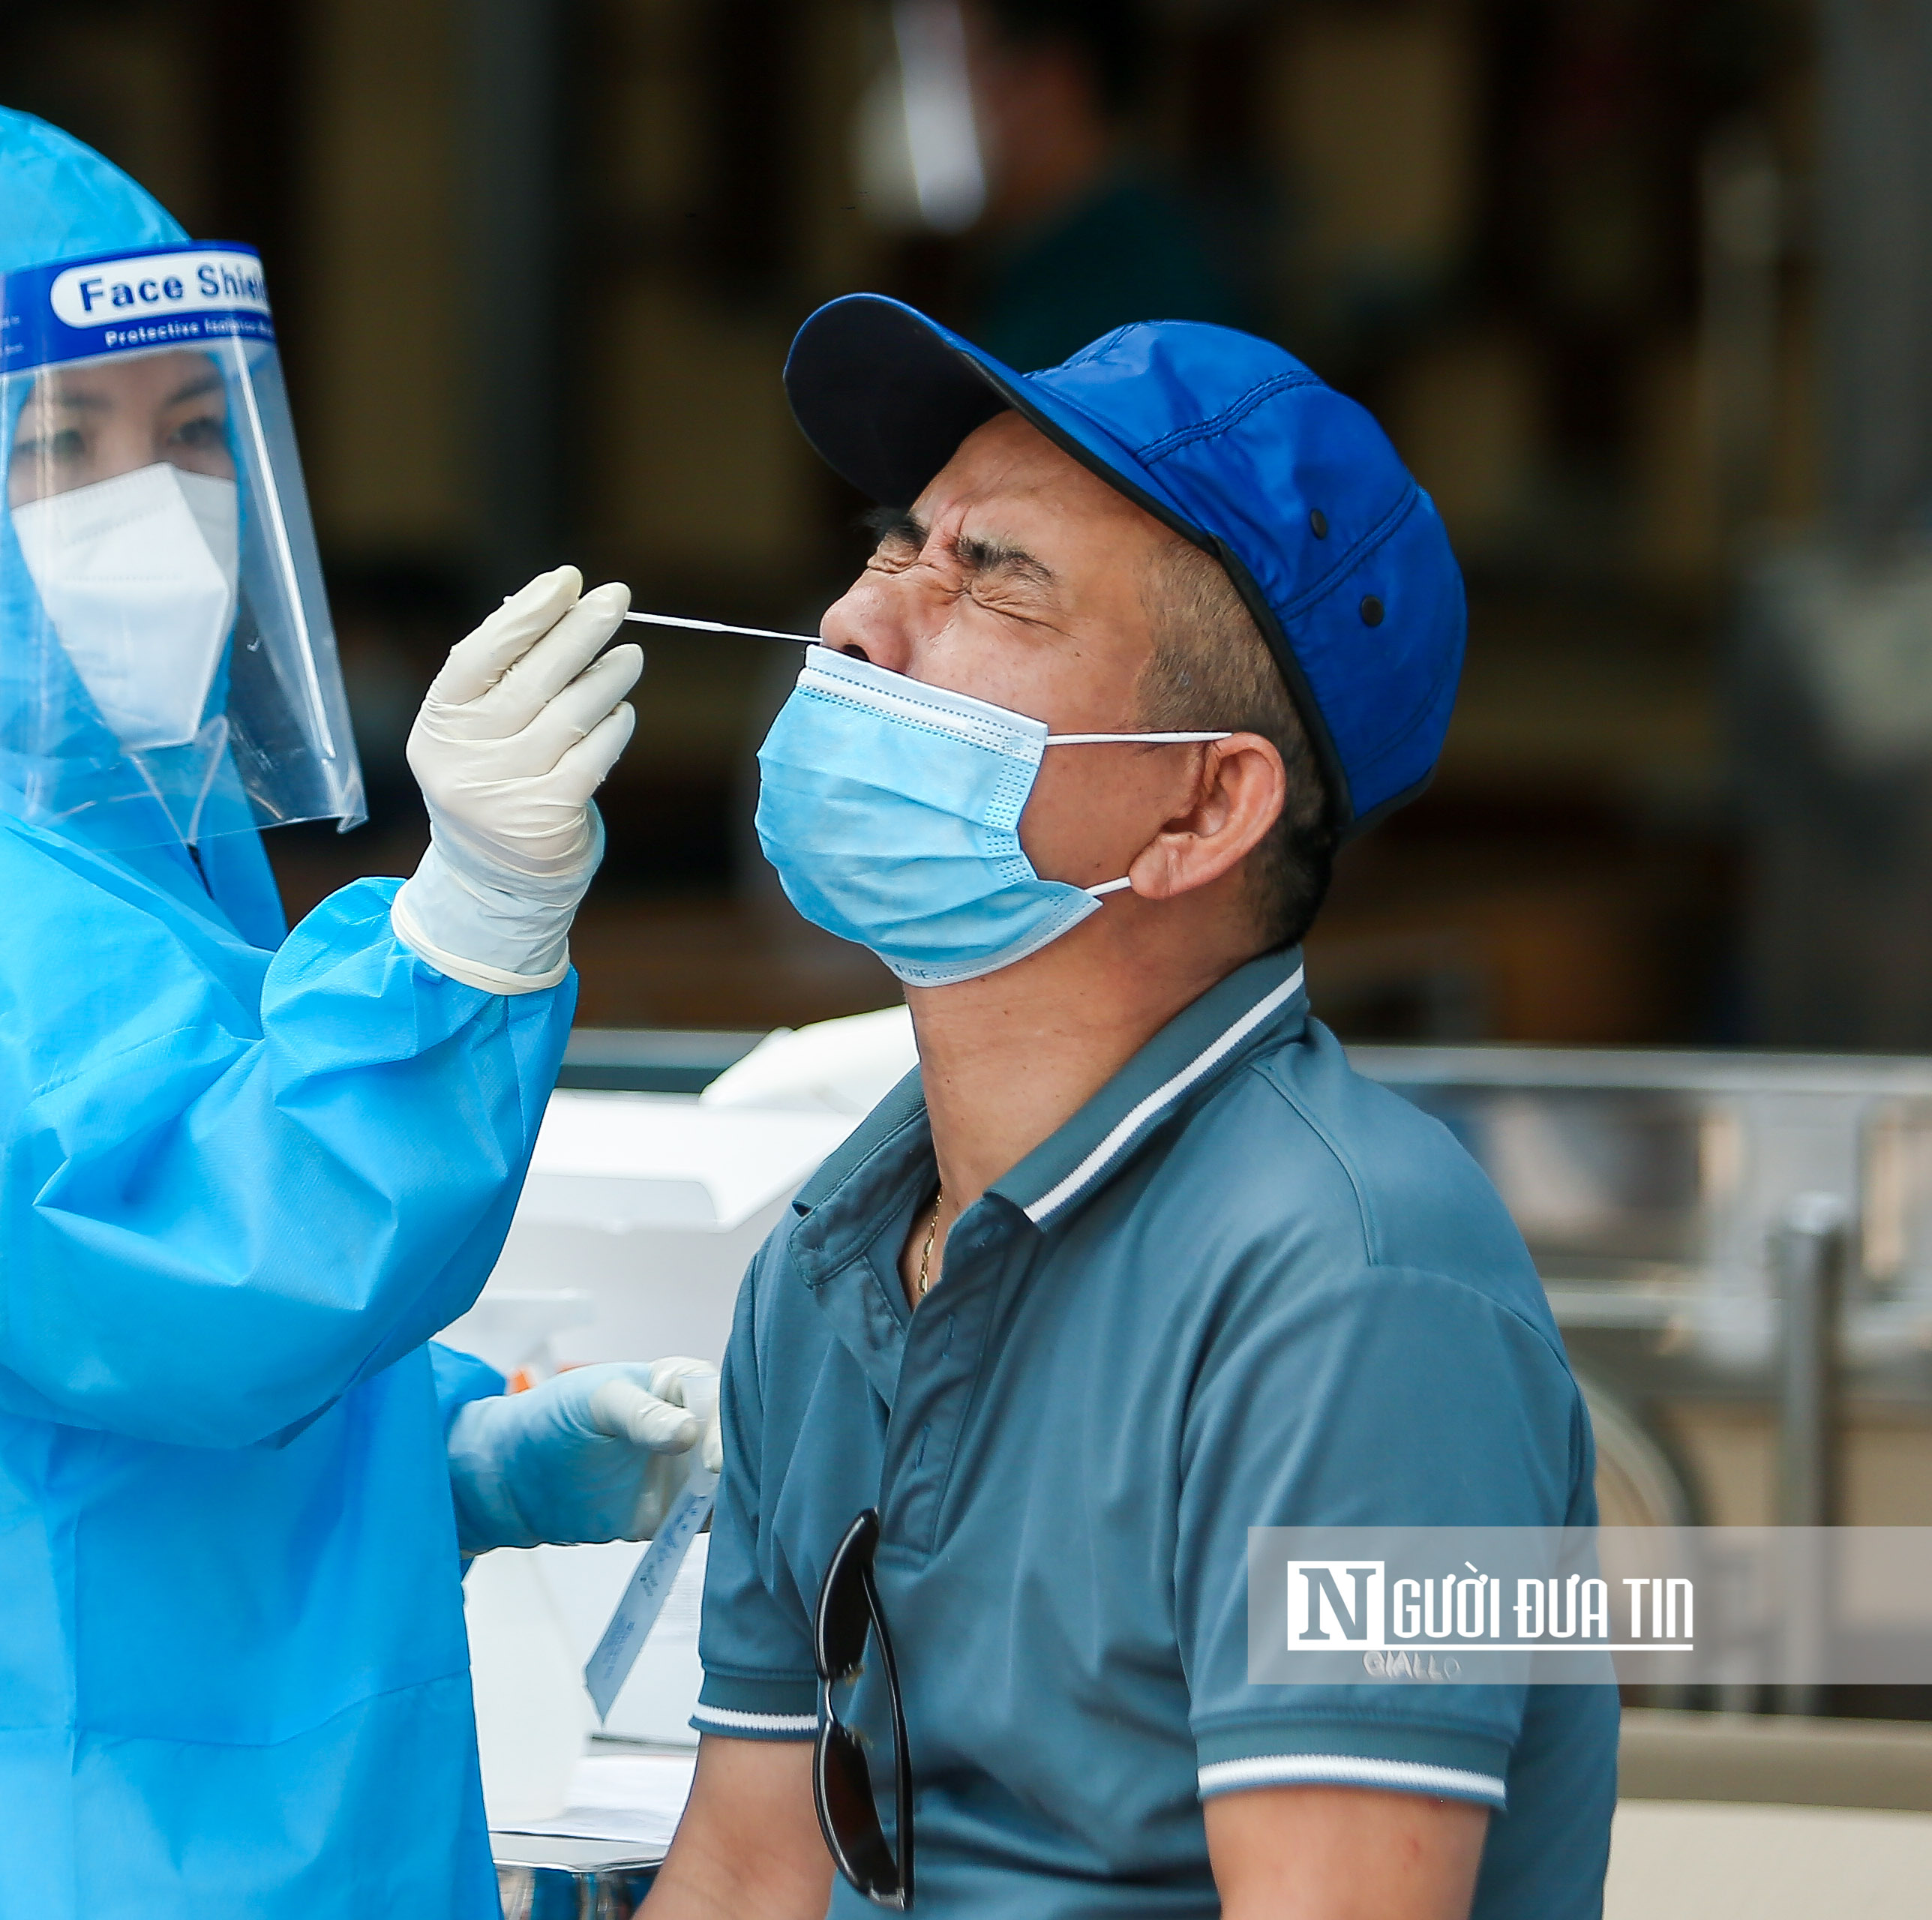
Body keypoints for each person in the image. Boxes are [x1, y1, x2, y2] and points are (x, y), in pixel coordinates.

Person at [0, 88, 712, 1918]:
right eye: (57, 442)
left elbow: (62, 1400)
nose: (158, 503)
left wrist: (440, 1448)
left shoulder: (106, 830)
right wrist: (461, 932)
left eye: (196, 430)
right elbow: (179, 1266)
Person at [640, 304, 1616, 1916]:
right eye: (898, 543)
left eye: (994, 578)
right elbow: (750, 1869)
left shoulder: (1365, 1285)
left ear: (1201, 803)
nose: (858, 623)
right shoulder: (838, 1247)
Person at [947, 0, 1242, 371]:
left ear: (1054, 77)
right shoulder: (1050, 253)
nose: (972, 96)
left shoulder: (1123, 279)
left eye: (974, 61)